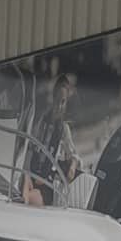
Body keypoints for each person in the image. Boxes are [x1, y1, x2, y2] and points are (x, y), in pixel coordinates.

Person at [21, 70, 81, 207]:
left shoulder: (64, 129)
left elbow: (75, 156)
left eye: (63, 102)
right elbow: (29, 148)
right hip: (31, 176)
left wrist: (72, 166)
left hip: (47, 186)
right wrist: (27, 175)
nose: (58, 105)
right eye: (56, 99)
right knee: (23, 187)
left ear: (66, 104)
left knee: (27, 198)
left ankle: (22, 202)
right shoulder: (41, 120)